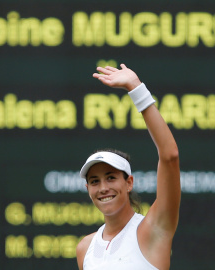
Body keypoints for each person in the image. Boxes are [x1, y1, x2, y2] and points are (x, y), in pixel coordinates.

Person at [76, 64, 181, 270]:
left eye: (111, 177)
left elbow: (170, 156)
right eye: (95, 181)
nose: (103, 187)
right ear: (88, 189)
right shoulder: (85, 248)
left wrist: (135, 87)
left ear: (129, 182)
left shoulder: (153, 229)